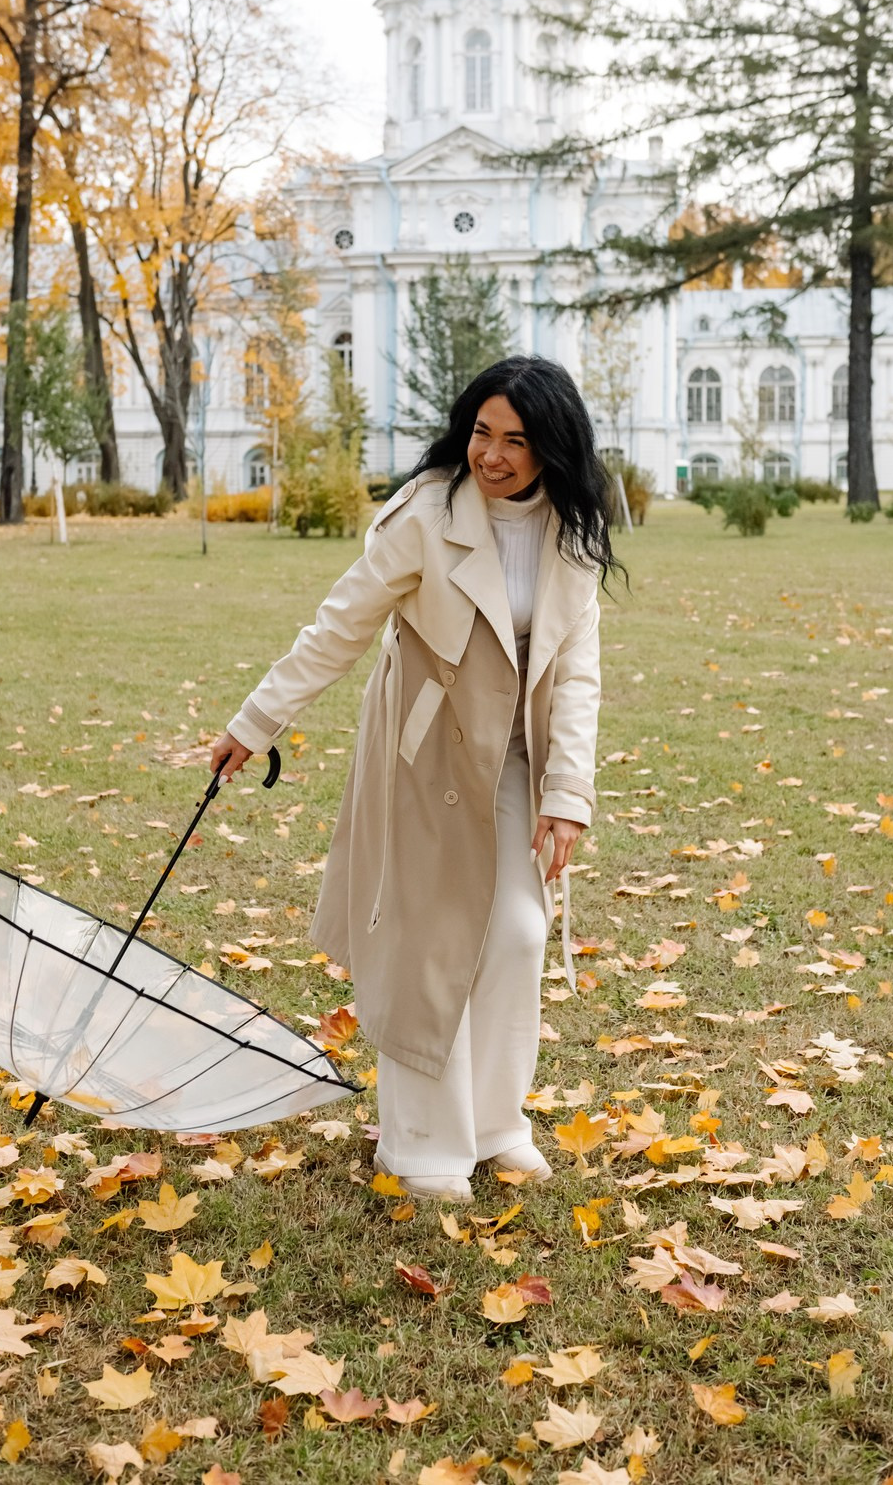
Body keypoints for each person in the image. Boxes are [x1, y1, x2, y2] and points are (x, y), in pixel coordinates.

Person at [210, 354, 616, 1202]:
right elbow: (339, 626)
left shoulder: (572, 532)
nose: (493, 456)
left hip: (516, 755)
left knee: (516, 930)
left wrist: (567, 794)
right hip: (425, 754)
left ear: (555, 450)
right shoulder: (426, 514)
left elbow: (578, 671)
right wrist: (255, 723)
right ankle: (421, 1142)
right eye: (481, 433)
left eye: (516, 440)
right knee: (432, 940)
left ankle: (496, 1122)